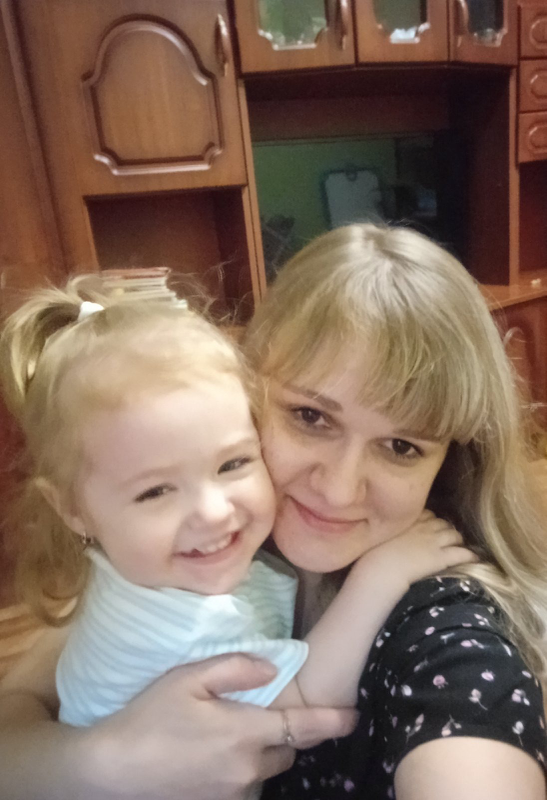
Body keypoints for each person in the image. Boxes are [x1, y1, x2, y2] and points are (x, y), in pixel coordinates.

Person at [1, 223, 546, 799]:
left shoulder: (447, 635)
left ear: (448, 463)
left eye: (401, 446)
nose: (340, 490)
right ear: (245, 394)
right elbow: (17, 704)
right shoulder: (199, 556)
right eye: (311, 416)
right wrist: (105, 763)